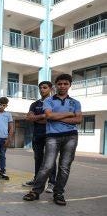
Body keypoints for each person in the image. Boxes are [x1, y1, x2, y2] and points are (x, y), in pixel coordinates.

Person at [23, 74, 82, 206]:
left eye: (65, 84)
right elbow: (49, 115)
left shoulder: (75, 102)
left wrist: (56, 117)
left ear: (69, 85)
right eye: (60, 84)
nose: (62, 86)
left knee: (64, 167)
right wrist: (69, 114)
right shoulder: (48, 101)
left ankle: (58, 193)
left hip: (71, 136)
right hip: (52, 136)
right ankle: (36, 191)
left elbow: (78, 120)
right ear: (56, 85)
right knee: (47, 165)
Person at [24, 81, 57, 193]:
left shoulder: (54, 102)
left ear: (50, 89)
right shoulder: (35, 104)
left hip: (50, 134)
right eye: (40, 88)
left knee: (50, 159)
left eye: (45, 87)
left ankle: (52, 183)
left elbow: (51, 118)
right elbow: (28, 118)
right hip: (37, 134)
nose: (42, 90)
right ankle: (37, 180)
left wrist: (37, 117)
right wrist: (43, 116)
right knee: (38, 158)